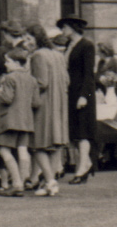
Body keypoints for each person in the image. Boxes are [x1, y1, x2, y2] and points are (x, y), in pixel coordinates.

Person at [0, 33, 42, 195]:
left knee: (4, 150)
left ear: (17, 63)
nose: (5, 64)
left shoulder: (9, 78)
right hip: (26, 121)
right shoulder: (32, 79)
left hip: (10, 120)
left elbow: (6, 98)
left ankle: (17, 183)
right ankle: (23, 181)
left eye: (8, 61)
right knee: (22, 150)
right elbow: (36, 103)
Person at [29, 25, 68, 194]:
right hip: (58, 103)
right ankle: (50, 182)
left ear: (36, 38)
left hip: (44, 104)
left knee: (37, 144)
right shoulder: (58, 55)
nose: (27, 43)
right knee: (54, 144)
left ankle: (50, 181)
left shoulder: (37, 55)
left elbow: (41, 82)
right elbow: (66, 80)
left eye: (29, 39)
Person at [61, 17, 99, 181]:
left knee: (83, 131)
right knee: (74, 132)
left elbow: (89, 74)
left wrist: (84, 96)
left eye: (65, 27)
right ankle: (86, 164)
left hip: (83, 93)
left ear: (73, 28)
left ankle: (82, 169)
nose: (63, 30)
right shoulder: (68, 46)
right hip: (71, 93)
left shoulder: (87, 45)